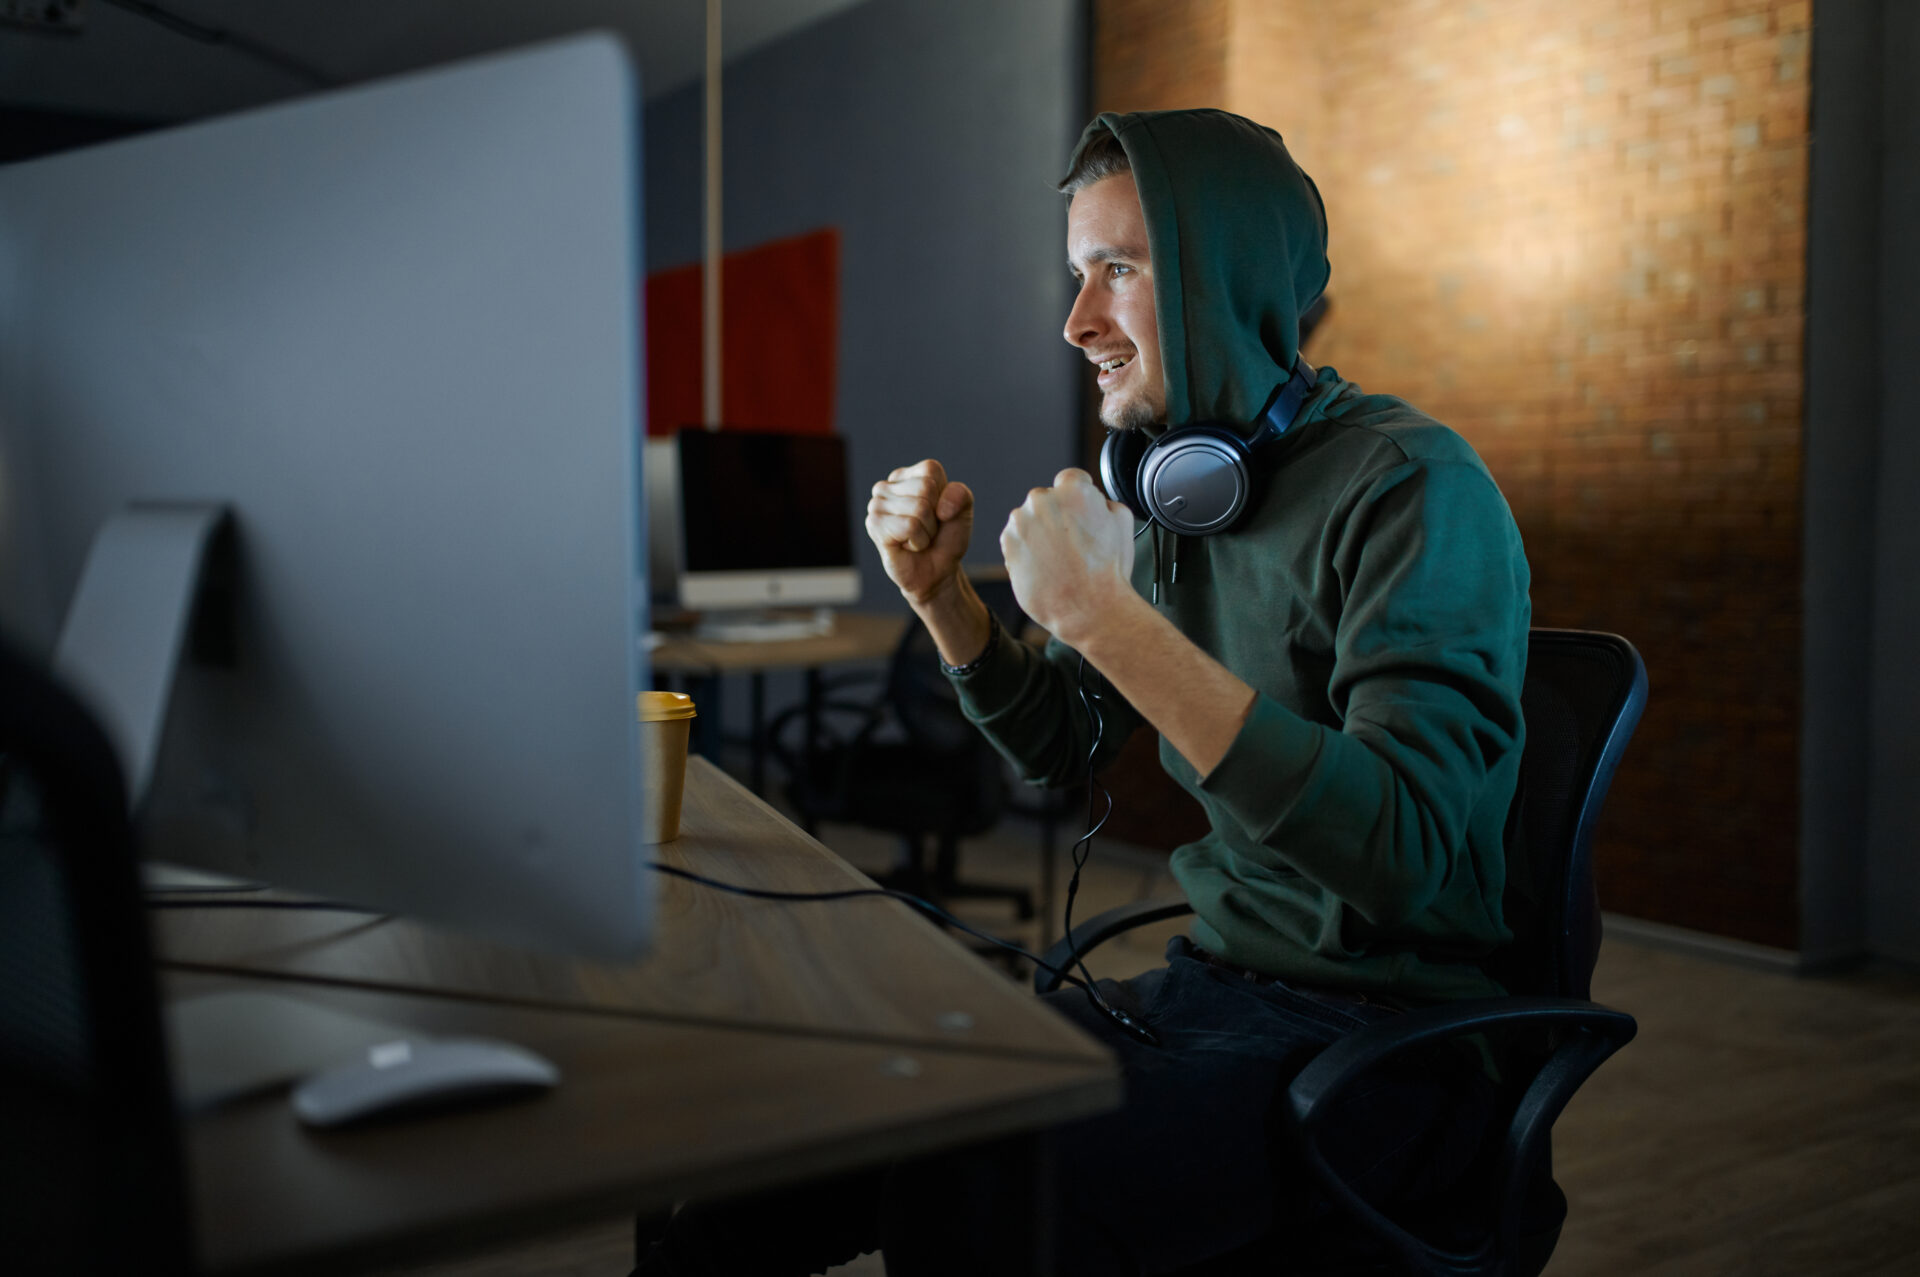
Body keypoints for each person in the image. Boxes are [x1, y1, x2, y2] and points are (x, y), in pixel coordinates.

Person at [637, 108, 1530, 1277]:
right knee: (793, 1139)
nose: (1078, 322)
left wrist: (1105, 617)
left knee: (973, 1193)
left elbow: (1407, 849)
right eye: (1077, 273)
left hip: (1383, 1035)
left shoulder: (1411, 486)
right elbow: (1056, 749)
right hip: (1212, 988)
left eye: (1119, 269)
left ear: (1221, 278)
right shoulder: (1179, 489)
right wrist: (945, 602)